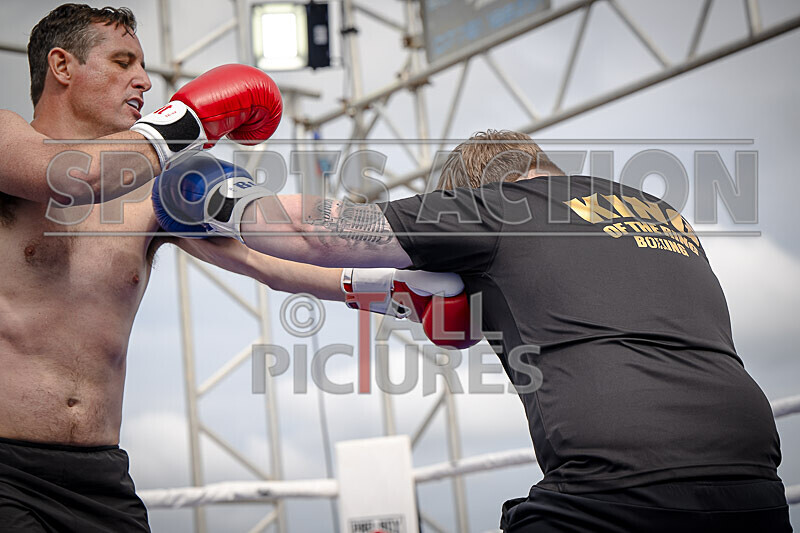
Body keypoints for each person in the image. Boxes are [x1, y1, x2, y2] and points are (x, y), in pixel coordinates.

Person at [161, 129, 793, 532]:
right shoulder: (659, 212)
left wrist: (211, 199)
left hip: (615, 486)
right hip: (754, 482)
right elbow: (363, 287)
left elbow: (314, 236)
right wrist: (252, 265)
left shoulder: (499, 205)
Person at [0, 4, 310, 531]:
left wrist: (390, 288)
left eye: (142, 66)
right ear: (62, 66)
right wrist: (186, 123)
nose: (144, 80)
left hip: (101, 476)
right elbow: (69, 176)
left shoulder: (153, 192)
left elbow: (273, 257)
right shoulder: (9, 141)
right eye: (123, 62)